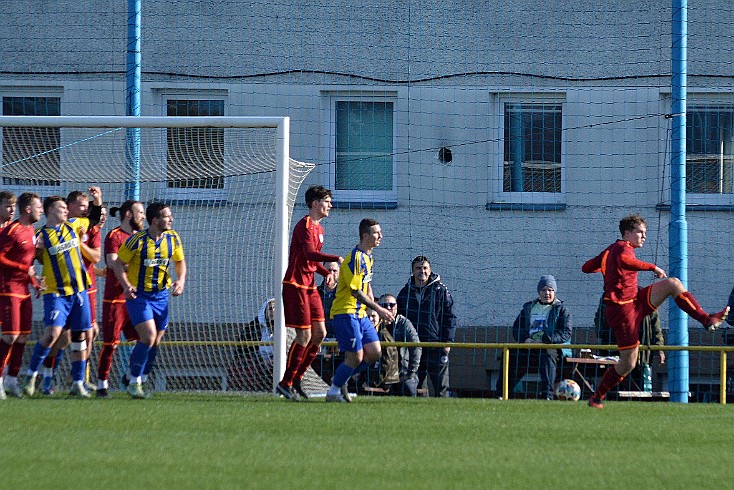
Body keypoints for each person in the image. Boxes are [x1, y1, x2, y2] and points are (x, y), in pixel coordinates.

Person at [582, 213, 728, 409]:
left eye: (645, 232)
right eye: (639, 232)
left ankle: (707, 319)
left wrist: (605, 267)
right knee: (628, 363)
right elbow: (626, 262)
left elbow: (586, 267)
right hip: (622, 311)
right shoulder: (621, 248)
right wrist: (652, 267)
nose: (644, 236)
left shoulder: (611, 251)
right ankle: (597, 397)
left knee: (673, 284)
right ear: (627, 233)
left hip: (635, 300)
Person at [23, 188, 104, 398]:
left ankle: (78, 382)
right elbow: (28, 262)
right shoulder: (40, 236)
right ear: (50, 211)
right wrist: (35, 280)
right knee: (52, 334)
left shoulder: (73, 226)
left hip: (79, 292)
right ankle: (31, 376)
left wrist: (98, 199)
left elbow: (94, 218)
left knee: (80, 336)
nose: (66, 211)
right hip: (56, 293)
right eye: (61, 208)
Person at [110, 202, 186, 399]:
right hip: (140, 296)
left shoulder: (172, 238)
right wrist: (126, 286)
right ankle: (135, 382)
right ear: (155, 220)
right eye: (167, 217)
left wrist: (181, 281)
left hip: (161, 295)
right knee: (148, 336)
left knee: (155, 342)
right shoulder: (137, 240)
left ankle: (134, 376)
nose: (171, 220)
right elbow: (118, 264)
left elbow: (179, 261)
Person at [276, 186, 342, 401]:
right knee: (303, 335)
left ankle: (298, 377)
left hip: (310, 285)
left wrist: (325, 273)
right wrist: (335, 259)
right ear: (315, 203)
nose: (330, 205)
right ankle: (285, 382)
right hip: (296, 285)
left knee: (320, 333)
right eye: (327, 201)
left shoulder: (320, 229)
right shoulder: (304, 225)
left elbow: (311, 261)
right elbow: (309, 253)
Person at [325, 218, 394, 402]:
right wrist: (379, 309)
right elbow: (355, 292)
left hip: (360, 314)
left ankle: (341, 377)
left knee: (375, 352)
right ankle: (333, 391)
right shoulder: (356, 258)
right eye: (376, 233)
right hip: (346, 313)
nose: (380, 236)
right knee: (355, 356)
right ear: (365, 235)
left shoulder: (368, 256)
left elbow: (366, 284)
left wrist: (372, 306)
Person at [95, 200, 145, 398]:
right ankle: (102, 385)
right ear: (128, 214)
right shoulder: (114, 235)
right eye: (139, 212)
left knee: (146, 339)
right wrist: (132, 266)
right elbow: (112, 264)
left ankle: (131, 377)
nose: (143, 216)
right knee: (111, 344)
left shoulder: (141, 237)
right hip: (115, 299)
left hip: (136, 299)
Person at [494, 275, 572, 400]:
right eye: (544, 290)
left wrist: (546, 340)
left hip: (551, 347)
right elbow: (517, 328)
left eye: (550, 290)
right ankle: (501, 394)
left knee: (547, 354)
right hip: (529, 346)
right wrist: (525, 339)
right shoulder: (528, 308)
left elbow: (565, 333)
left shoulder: (562, 310)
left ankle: (547, 395)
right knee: (511, 354)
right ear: (539, 292)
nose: (547, 293)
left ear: (555, 292)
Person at [0, 192, 43, 399]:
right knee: (10, 336)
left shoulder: (31, 230)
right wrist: (23, 269)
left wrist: (34, 282)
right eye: (39, 207)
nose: (41, 210)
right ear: (28, 210)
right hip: (8, 288)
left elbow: (29, 265)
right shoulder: (12, 231)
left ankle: (12, 381)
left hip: (24, 290)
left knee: (24, 336)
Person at [396, 255, 456, 397]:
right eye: (418, 268)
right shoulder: (405, 293)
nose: (421, 271)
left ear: (430, 270)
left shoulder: (441, 291)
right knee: (416, 387)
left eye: (425, 268)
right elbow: (399, 319)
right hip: (413, 347)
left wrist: (447, 342)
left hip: (436, 345)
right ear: (412, 271)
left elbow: (450, 317)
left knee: (441, 387)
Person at [595, 294, 665, 392]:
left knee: (637, 387)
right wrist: (602, 334)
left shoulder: (645, 296)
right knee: (614, 387)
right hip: (613, 351)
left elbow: (655, 326)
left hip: (639, 353)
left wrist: (659, 349)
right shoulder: (608, 296)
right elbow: (600, 320)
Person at [377, 293, 422, 396]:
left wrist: (411, 371)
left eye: (392, 305)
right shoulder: (373, 321)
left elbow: (416, 347)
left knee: (409, 388)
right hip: (378, 370)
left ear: (396, 307)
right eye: (384, 305)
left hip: (402, 371)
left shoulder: (403, 323)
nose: (388, 308)